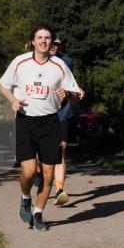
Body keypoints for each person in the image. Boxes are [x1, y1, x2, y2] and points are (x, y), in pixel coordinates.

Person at [0, 24, 81, 232]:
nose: (44, 41)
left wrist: (69, 95)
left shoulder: (60, 65)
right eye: (40, 37)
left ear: (52, 42)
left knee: (48, 173)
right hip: (25, 121)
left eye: (48, 38)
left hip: (50, 122)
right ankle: (25, 198)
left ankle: (38, 213)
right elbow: (2, 84)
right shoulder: (20, 62)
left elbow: (77, 96)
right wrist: (12, 101)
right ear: (33, 41)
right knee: (27, 171)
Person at [48, 37, 85, 206]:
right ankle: (40, 177)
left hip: (62, 112)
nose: (54, 46)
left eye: (57, 44)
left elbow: (70, 82)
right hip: (40, 114)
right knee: (40, 153)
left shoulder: (66, 62)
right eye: (52, 43)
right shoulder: (32, 62)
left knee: (61, 148)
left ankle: (59, 189)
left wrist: (77, 90)